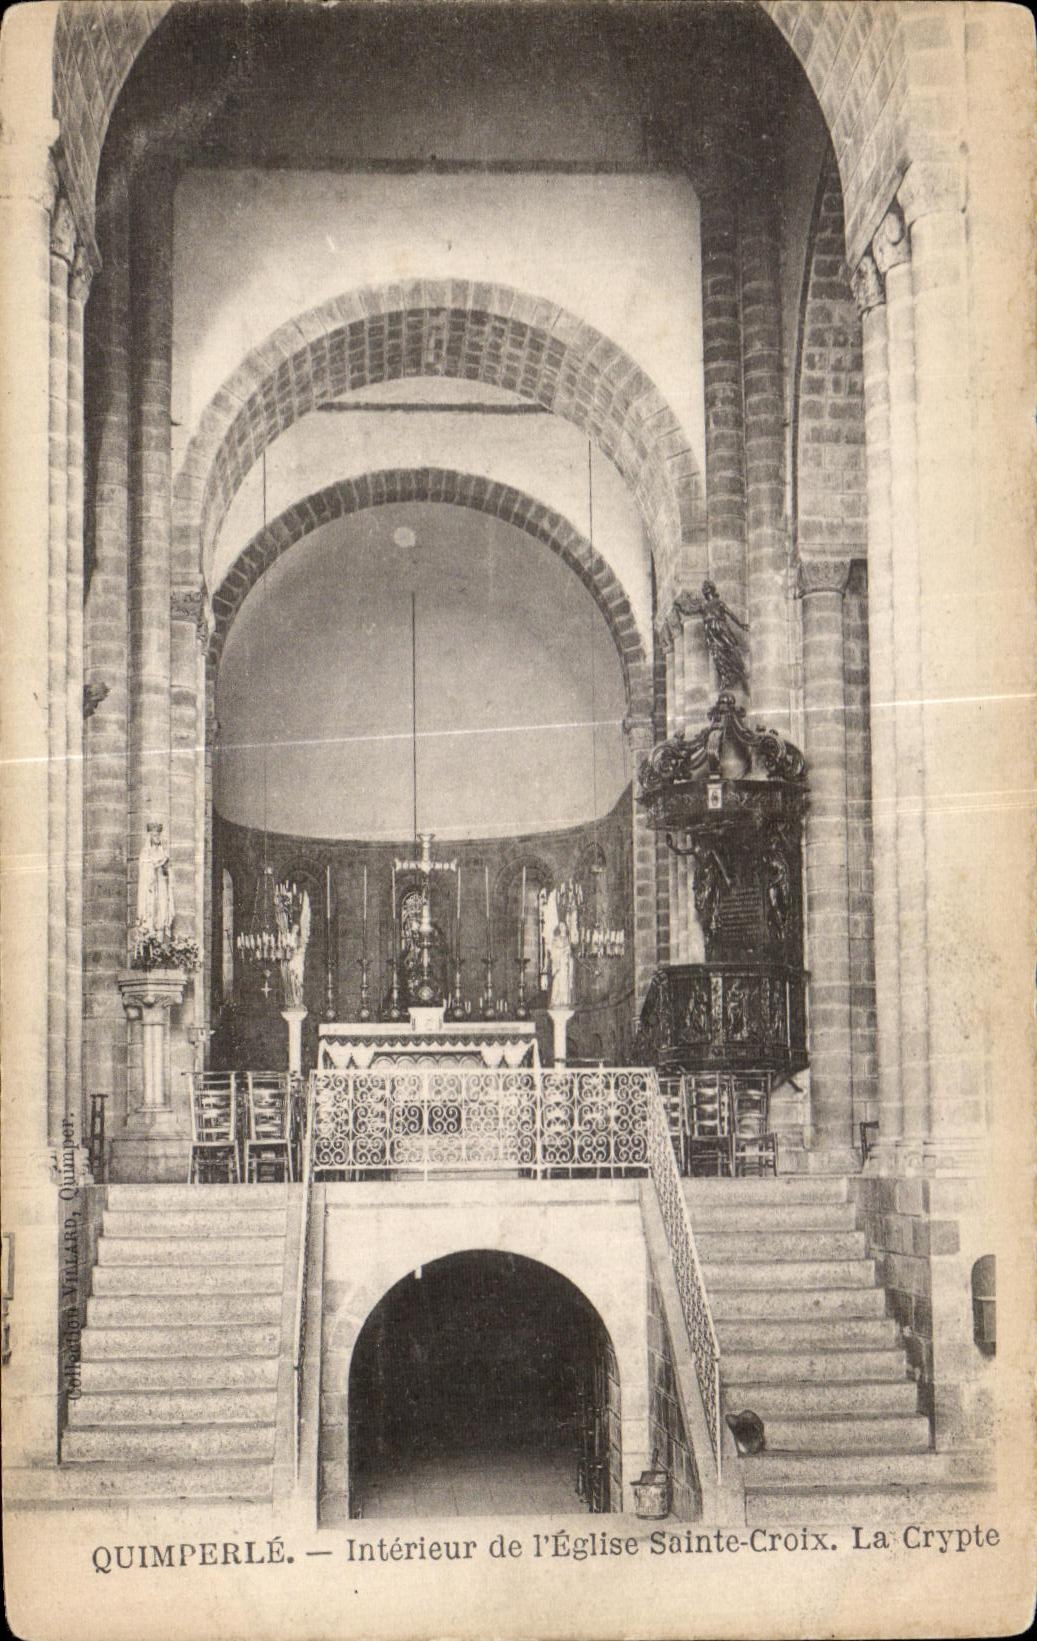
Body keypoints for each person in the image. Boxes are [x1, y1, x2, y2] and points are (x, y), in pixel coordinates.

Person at [136, 820, 174, 940]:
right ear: (150, 837)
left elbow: (169, 873)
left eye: (158, 835)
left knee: (162, 910)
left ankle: (161, 937)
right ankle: (149, 935)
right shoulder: (145, 852)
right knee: (150, 910)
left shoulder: (163, 852)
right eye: (154, 835)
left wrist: (165, 867)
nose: (157, 837)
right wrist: (154, 866)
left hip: (162, 886)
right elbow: (144, 869)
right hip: (150, 888)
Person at [548, 920, 574, 1009]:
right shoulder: (556, 939)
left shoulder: (568, 939)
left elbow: (570, 954)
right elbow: (553, 952)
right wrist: (564, 950)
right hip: (559, 965)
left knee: (565, 983)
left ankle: (565, 1001)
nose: (562, 928)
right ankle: (556, 1001)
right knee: (557, 982)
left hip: (565, 965)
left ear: (566, 927)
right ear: (559, 928)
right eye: (561, 926)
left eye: (564, 926)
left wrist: (568, 952)